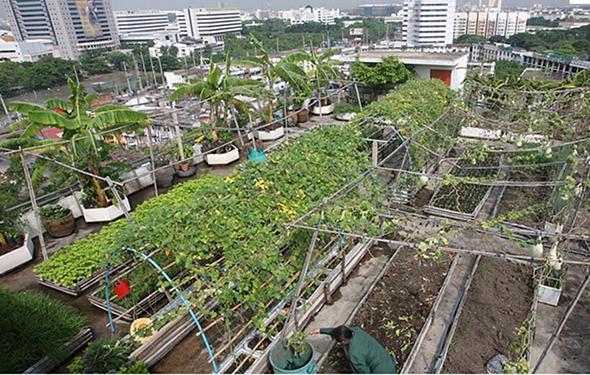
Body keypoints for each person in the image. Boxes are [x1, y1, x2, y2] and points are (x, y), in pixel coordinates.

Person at [310, 325, 397, 374]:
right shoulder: (356, 331)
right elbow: (339, 332)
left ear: (343, 342)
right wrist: (321, 330)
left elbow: (364, 371)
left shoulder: (353, 353)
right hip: (390, 364)